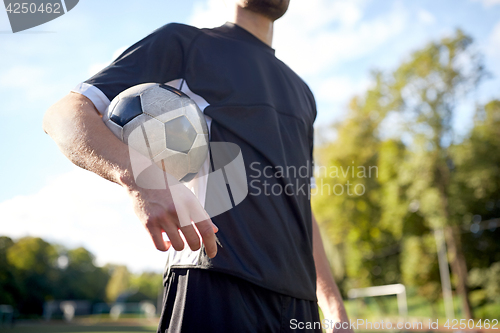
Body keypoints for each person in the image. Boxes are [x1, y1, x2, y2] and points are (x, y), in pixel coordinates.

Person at [43, 1, 353, 332]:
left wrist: (331, 302)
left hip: (299, 304)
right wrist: (140, 178)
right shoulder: (185, 45)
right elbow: (63, 115)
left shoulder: (302, 92)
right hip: (215, 280)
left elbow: (300, 202)